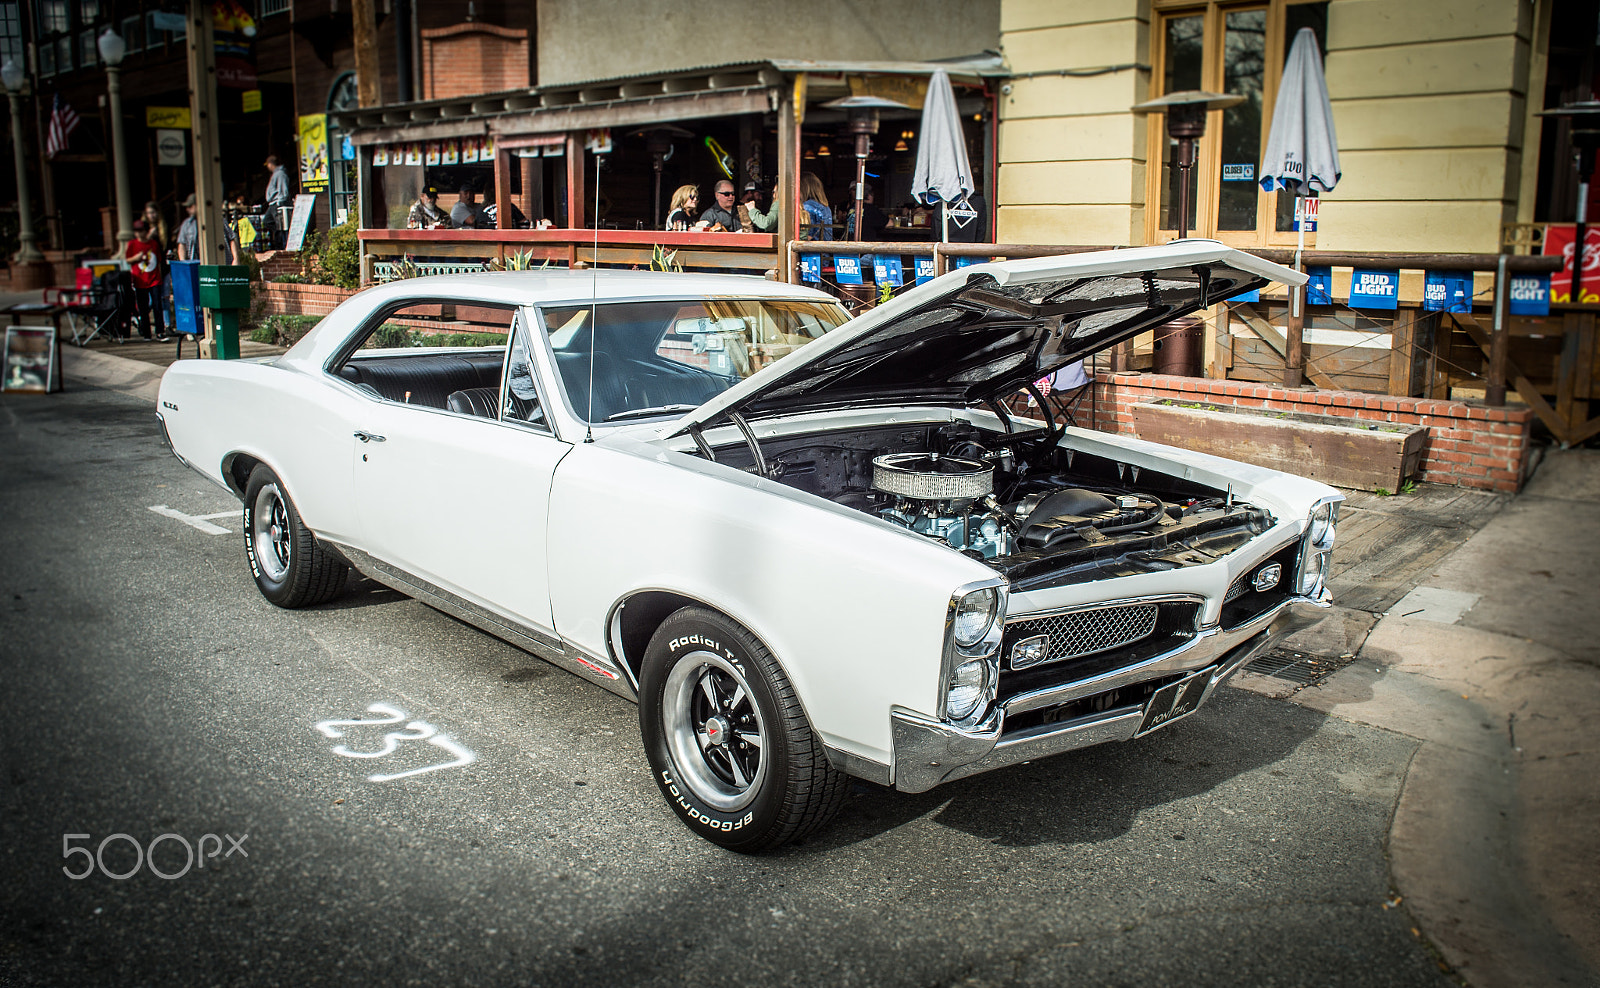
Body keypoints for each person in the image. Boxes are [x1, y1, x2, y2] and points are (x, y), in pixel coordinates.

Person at [125, 219, 167, 341]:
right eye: (136, 231)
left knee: (157, 306)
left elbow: (159, 260)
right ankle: (146, 333)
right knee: (143, 308)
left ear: (146, 231)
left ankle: (160, 331)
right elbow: (127, 260)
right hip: (140, 280)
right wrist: (136, 258)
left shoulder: (153, 244)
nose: (138, 234)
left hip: (154, 279)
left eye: (141, 230)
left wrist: (161, 277)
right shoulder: (132, 244)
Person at [177, 193, 241, 265]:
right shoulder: (187, 224)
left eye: (190, 206)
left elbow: (231, 239)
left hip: (220, 263)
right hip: (196, 265)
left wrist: (235, 259)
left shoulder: (218, 220)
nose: (187, 209)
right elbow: (182, 244)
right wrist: (183, 263)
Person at [263, 154, 290, 248]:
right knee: (267, 221)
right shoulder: (276, 174)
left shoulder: (280, 174)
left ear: (270, 164)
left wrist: (280, 202)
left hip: (277, 203)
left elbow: (283, 190)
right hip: (272, 203)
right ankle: (278, 240)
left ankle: (281, 245)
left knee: (278, 224)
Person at [799, 172, 832, 241]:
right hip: (826, 248)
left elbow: (808, 236)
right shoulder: (826, 207)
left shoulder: (807, 206)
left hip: (811, 250)